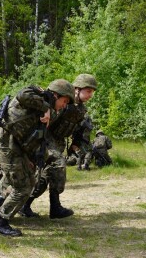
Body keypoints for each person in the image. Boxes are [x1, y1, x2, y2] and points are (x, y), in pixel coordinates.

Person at [0, 79, 75, 236]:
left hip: (15, 147)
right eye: (64, 101)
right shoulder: (40, 96)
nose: (64, 105)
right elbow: (23, 94)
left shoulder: (48, 111)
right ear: (56, 95)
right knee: (23, 187)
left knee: (29, 182)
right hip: (5, 145)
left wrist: (30, 159)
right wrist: (46, 106)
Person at [20, 74, 97, 219]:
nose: (90, 95)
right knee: (58, 167)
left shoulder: (81, 110)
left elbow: (81, 129)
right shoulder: (63, 102)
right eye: (88, 91)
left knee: (44, 178)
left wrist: (75, 145)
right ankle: (54, 207)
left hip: (58, 142)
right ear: (77, 89)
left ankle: (27, 206)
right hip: (46, 140)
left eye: (92, 92)